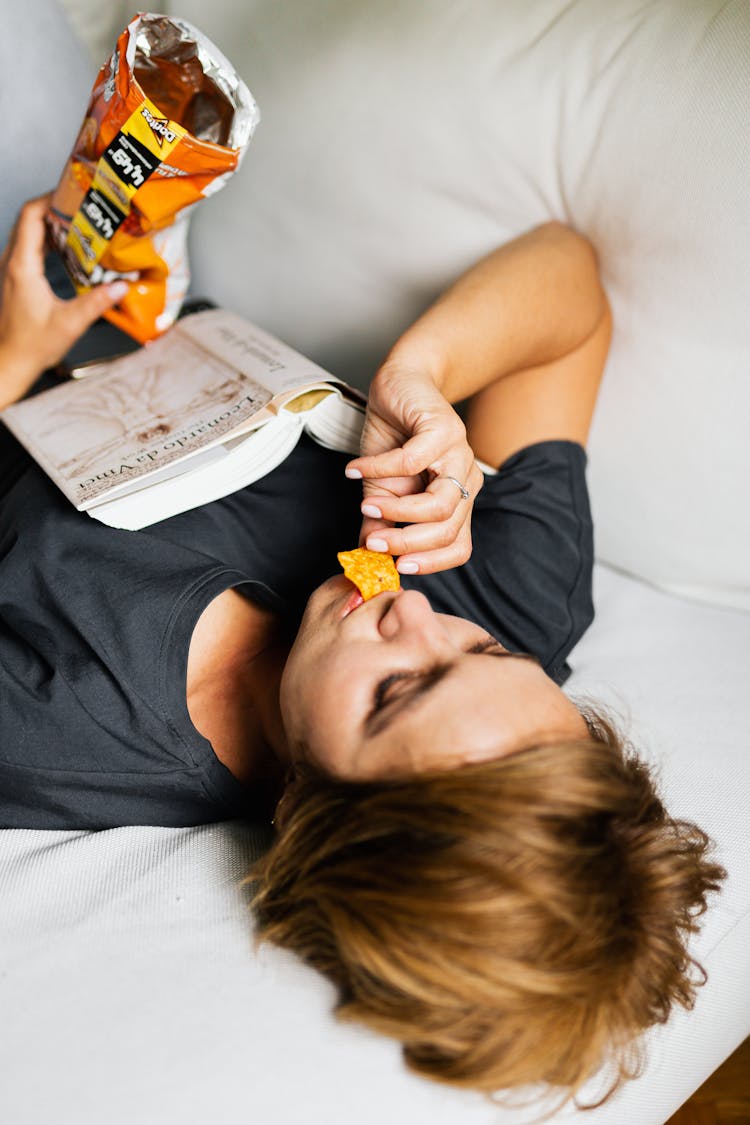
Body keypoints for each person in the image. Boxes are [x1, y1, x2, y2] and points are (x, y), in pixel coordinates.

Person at [0, 196, 724, 1106]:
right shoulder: (511, 594)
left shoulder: (59, 734)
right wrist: (422, 373)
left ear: (306, 806)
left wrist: (14, 357)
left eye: (396, 694)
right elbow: (570, 281)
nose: (413, 617)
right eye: (484, 652)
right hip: (129, 236)